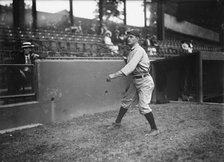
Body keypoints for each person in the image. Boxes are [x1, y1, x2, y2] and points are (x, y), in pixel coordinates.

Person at [106, 30, 159, 136]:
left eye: (131, 36)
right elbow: (132, 66)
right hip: (136, 80)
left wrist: (113, 75)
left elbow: (130, 68)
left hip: (145, 81)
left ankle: (154, 129)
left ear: (137, 39)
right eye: (128, 36)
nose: (128, 38)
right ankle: (117, 123)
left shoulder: (139, 50)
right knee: (126, 101)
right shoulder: (131, 51)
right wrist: (127, 59)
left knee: (143, 106)